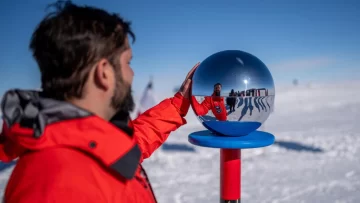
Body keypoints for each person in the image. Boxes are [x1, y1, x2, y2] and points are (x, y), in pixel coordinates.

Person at [0, 1, 199, 203]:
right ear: (103, 73)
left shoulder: (81, 139)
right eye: (127, 62)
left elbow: (133, 142)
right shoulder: (57, 187)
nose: (132, 73)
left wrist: (177, 105)